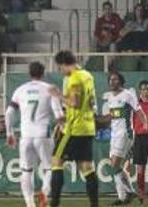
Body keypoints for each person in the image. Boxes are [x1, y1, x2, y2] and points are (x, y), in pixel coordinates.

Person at [5, 61, 63, 207]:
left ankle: (30, 204)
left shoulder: (20, 90)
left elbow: (9, 113)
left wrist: (9, 133)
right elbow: (58, 113)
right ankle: (44, 193)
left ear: (29, 74)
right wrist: (64, 128)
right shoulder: (50, 89)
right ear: (43, 73)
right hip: (43, 134)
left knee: (26, 170)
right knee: (50, 168)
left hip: (26, 135)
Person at [48, 50, 97, 207]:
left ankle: (54, 203)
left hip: (74, 129)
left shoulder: (74, 78)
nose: (61, 71)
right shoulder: (88, 76)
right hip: (88, 127)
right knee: (86, 167)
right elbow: (91, 102)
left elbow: (74, 102)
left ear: (64, 63)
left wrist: (58, 95)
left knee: (56, 161)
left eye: (60, 67)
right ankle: (94, 205)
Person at [97, 71, 147, 205]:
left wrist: (145, 124)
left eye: (115, 79)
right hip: (114, 135)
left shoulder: (128, 95)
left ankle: (129, 191)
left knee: (114, 166)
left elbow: (138, 111)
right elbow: (111, 117)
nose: (112, 82)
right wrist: (96, 119)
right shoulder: (111, 98)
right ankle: (123, 196)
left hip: (125, 134)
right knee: (115, 166)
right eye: (110, 80)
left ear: (121, 81)